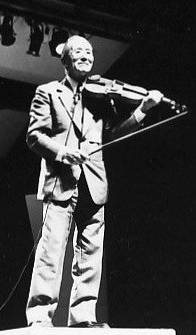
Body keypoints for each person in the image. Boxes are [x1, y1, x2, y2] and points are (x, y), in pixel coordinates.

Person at [26, 35, 163, 328]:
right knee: (51, 252)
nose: (86, 56)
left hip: (93, 184)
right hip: (60, 182)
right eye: (79, 51)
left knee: (90, 253)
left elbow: (113, 136)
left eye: (90, 52)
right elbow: (34, 136)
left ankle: (84, 316)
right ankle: (39, 317)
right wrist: (62, 152)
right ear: (65, 60)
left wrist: (143, 110)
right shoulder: (47, 92)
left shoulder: (100, 98)